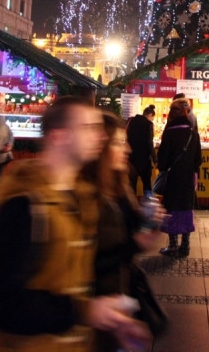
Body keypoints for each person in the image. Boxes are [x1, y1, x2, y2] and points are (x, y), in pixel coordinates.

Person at [0, 96, 147, 351]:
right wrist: (86, 311)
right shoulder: (25, 205)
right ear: (59, 136)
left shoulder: (80, 198)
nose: (100, 136)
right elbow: (5, 307)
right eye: (88, 128)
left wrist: (111, 322)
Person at [82, 111, 163, 351]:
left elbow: (127, 235)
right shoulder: (86, 198)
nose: (126, 149)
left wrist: (148, 223)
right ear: (101, 147)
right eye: (119, 142)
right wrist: (135, 244)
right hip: (96, 308)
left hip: (119, 299)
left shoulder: (120, 186)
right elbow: (89, 260)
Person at [156, 99, 202, 257]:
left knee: (172, 210)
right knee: (186, 210)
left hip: (173, 179)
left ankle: (173, 245)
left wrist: (164, 167)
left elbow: (162, 161)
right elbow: (198, 159)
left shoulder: (169, 133)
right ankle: (185, 246)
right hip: (188, 178)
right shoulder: (193, 133)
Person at [126, 105, 157, 196]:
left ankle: (132, 206)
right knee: (147, 184)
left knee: (132, 184)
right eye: (152, 118)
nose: (152, 120)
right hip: (144, 160)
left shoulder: (132, 121)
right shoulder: (148, 124)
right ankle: (148, 206)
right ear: (150, 115)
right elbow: (149, 143)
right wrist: (155, 159)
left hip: (132, 158)